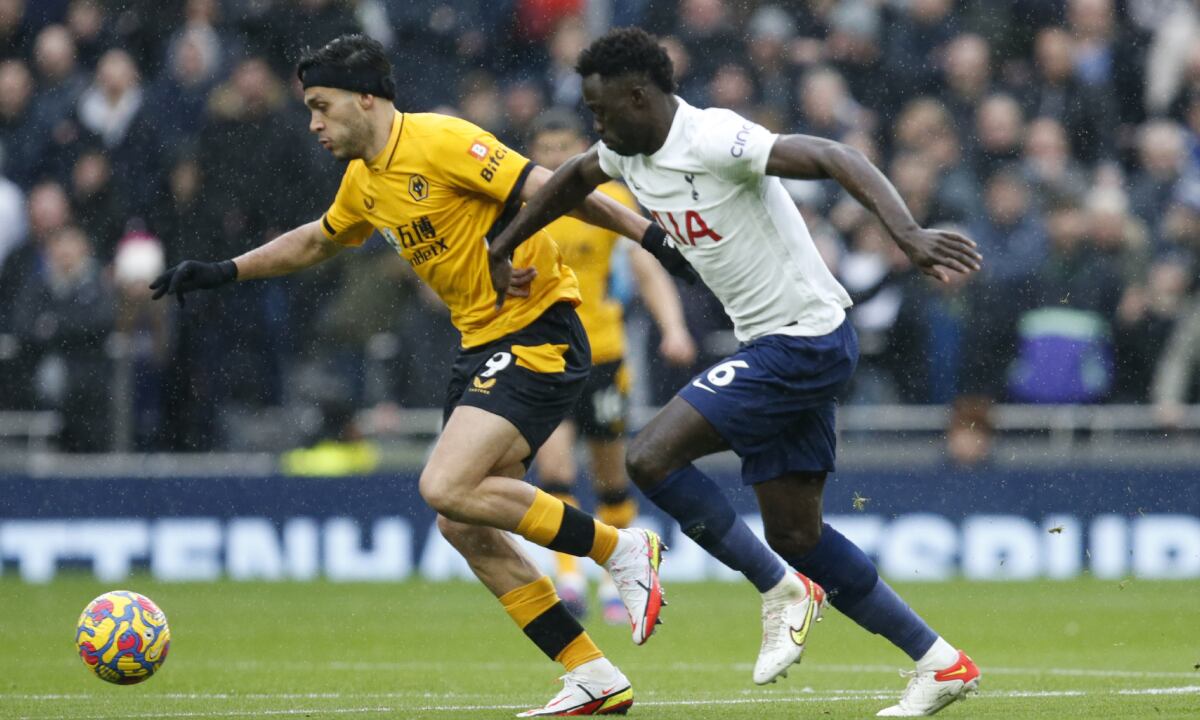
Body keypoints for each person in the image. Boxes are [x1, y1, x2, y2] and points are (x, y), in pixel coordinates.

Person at [149, 34, 690, 717]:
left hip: (537, 329)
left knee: (443, 484)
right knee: (460, 521)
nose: (314, 123)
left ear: (366, 100)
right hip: (481, 345)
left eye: (322, 106)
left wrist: (649, 237)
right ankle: (591, 673)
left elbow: (557, 189)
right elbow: (316, 239)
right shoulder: (364, 181)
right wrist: (223, 270)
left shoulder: (440, 140)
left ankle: (622, 547)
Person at [488, 28, 984, 717]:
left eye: (602, 112)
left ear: (640, 96)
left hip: (802, 340)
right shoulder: (625, 152)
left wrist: (907, 234)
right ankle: (940, 662)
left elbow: (835, 155)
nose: (595, 127)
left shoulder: (714, 137)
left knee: (649, 456)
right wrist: (502, 245)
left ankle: (781, 589)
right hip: (781, 343)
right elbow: (571, 178)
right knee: (797, 532)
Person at [527, 109, 697, 623]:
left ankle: (615, 580)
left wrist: (674, 328)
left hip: (602, 356)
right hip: (544, 356)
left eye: (564, 147)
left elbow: (646, 269)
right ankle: (569, 578)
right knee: (554, 468)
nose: (555, 157)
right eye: (546, 148)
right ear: (534, 154)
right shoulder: (523, 203)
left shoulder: (610, 201)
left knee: (609, 475)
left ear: (580, 149)